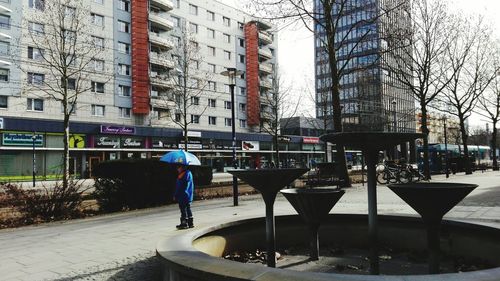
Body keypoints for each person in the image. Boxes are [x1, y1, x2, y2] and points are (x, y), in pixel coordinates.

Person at [174, 165, 194, 230]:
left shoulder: (182, 175)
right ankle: (190, 223)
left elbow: (179, 187)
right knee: (188, 208)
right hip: (189, 195)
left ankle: (184, 223)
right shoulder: (189, 173)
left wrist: (175, 195)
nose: (177, 169)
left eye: (178, 167)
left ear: (182, 168)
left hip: (182, 195)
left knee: (183, 209)